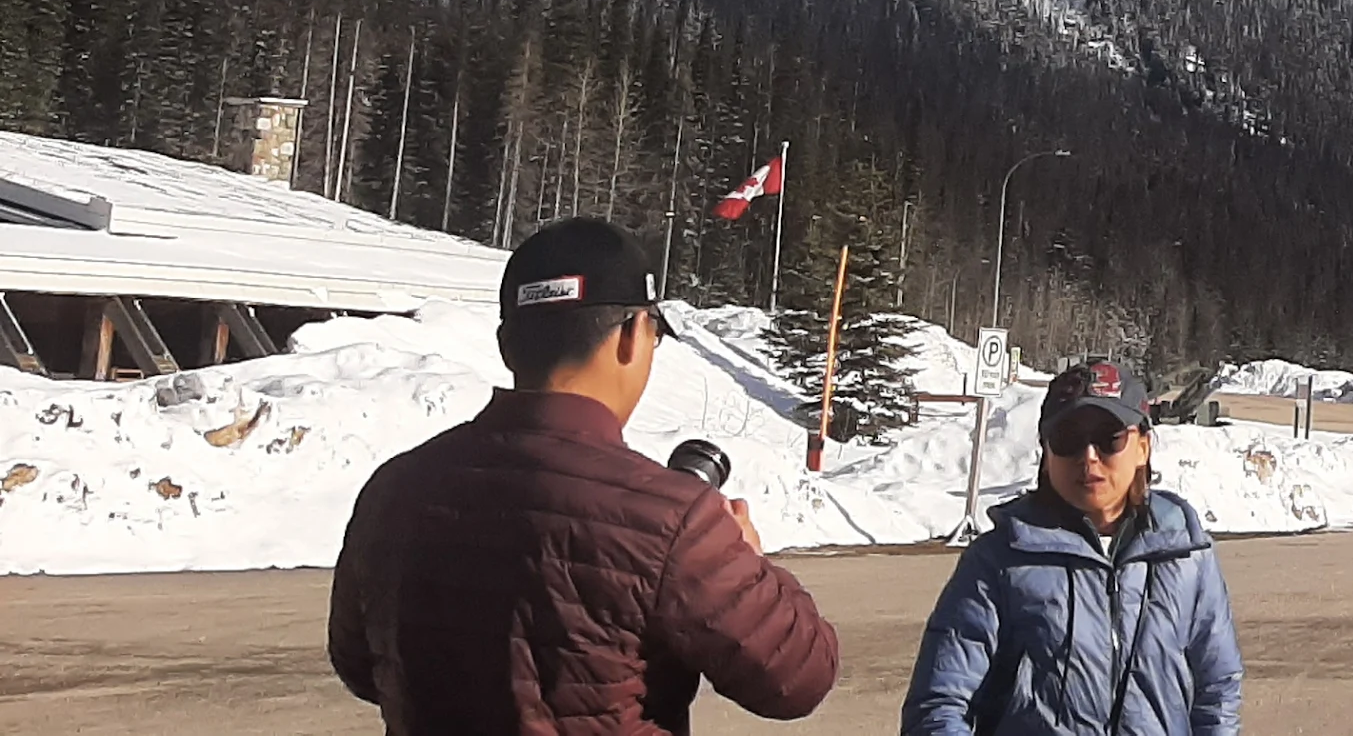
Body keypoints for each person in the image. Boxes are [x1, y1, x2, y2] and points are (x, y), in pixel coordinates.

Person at [328, 217, 839, 735]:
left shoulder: (392, 491)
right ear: (634, 336)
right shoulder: (671, 517)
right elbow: (798, 677)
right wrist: (749, 561)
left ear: (508, 345)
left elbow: (361, 666)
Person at [905, 357, 1244, 736]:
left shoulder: (1185, 553)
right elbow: (940, 703)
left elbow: (1217, 692)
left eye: (1108, 437)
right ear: (1046, 454)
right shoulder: (998, 559)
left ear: (1143, 447)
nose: (1089, 457)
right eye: (1068, 439)